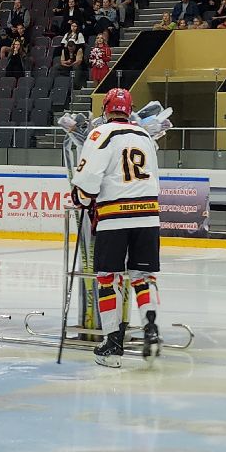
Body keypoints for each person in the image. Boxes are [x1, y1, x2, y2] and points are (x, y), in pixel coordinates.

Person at [71, 87, 162, 367]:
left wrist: (81, 198)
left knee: (108, 278)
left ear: (106, 108)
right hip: (148, 216)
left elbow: (88, 178)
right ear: (129, 110)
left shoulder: (100, 133)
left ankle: (112, 343)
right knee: (143, 276)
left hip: (115, 217)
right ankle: (151, 328)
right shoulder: (145, 136)